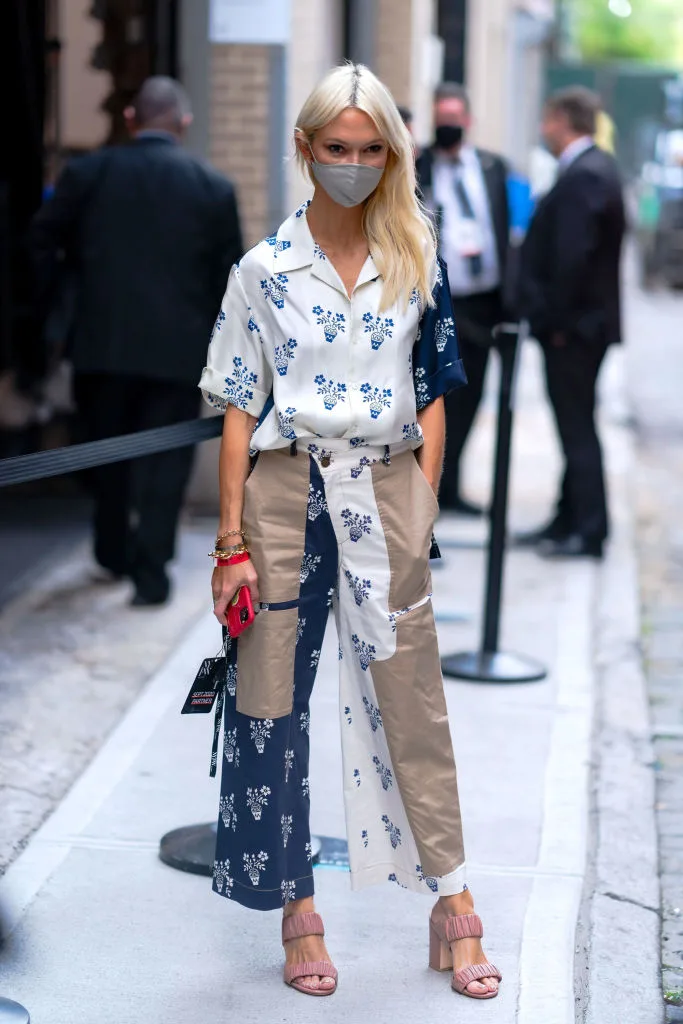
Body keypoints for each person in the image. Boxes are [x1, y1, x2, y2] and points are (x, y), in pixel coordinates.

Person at [202, 63, 502, 1000]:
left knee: (412, 696)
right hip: (285, 498)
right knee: (270, 703)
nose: (356, 165)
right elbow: (239, 412)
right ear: (304, 149)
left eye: (373, 150)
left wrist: (425, 499)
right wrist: (228, 544)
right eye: (338, 149)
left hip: (384, 489)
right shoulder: (261, 269)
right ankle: (297, 908)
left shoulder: (415, 250)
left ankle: (452, 899)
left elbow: (432, 390)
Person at [30, 76, 243, 605]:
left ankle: (112, 550)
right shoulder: (213, 187)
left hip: (101, 344)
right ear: (184, 124)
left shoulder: (87, 173)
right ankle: (152, 573)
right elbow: (231, 280)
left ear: (130, 119)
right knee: (166, 461)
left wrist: (57, 307)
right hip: (177, 351)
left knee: (106, 451)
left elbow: (39, 242)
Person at [517, 86, 626, 559]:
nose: (544, 130)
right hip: (579, 327)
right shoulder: (589, 170)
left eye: (548, 121)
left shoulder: (586, 174)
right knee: (573, 424)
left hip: (576, 330)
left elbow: (572, 257)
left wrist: (556, 321)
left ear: (564, 121)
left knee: (578, 427)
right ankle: (567, 520)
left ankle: (588, 530)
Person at [416, 82, 510, 516]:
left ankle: (452, 486)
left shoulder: (493, 168)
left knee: (471, 397)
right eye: (441, 119)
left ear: (468, 121)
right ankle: (428, 488)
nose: (448, 126)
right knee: (435, 397)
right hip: (437, 301)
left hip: (483, 301)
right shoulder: (419, 167)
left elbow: (509, 229)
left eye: (454, 118)